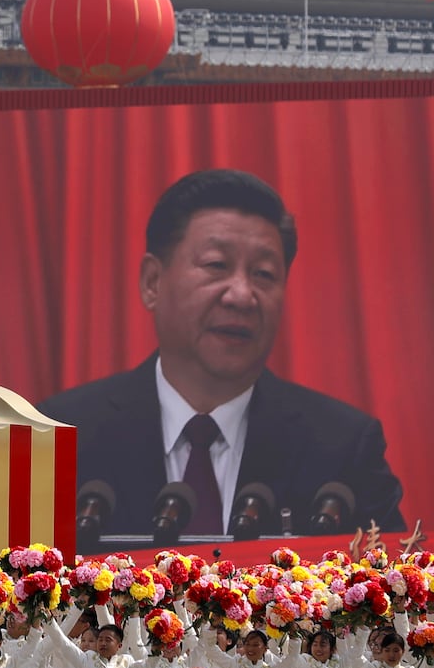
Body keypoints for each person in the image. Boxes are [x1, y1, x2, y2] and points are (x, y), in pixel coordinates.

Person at [36, 168, 405, 536]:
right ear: (153, 283)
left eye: (264, 274)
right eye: (216, 266)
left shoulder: (343, 448)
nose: (242, 295)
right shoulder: (62, 436)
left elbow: (395, 583)